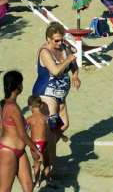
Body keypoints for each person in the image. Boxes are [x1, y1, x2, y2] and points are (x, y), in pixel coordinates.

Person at [32, 23, 79, 173]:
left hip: (60, 95)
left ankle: (44, 152)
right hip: (46, 94)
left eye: (61, 40)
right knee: (53, 130)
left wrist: (75, 76)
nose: (59, 43)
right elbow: (56, 71)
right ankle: (50, 167)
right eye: (56, 41)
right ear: (48, 39)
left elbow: (73, 65)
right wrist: (68, 59)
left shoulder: (64, 48)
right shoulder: (45, 52)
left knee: (63, 125)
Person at [1, 71, 41, 192]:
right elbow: (22, 134)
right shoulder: (13, 107)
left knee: (29, 188)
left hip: (19, 151)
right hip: (8, 151)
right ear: (17, 86)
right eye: (21, 83)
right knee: (5, 189)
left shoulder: (5, 104)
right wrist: (35, 149)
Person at [24, 97, 48, 186]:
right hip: (45, 143)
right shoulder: (45, 118)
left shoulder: (29, 119)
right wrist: (62, 135)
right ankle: (48, 179)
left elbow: (24, 132)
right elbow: (55, 128)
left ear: (30, 107)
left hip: (35, 144)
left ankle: (37, 182)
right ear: (41, 106)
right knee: (47, 161)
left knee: (36, 163)